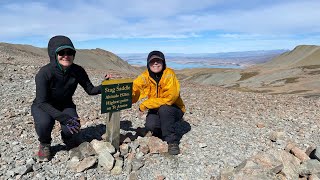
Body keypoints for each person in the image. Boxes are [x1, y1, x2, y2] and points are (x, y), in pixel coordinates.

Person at [31, 35, 110, 161]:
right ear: (54, 55)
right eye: (61, 52)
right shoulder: (44, 73)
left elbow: (90, 90)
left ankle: (68, 138)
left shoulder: (78, 70)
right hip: (44, 105)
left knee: (73, 126)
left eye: (70, 52)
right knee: (44, 123)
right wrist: (63, 118)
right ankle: (45, 144)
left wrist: (105, 85)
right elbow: (42, 102)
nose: (66, 55)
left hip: (65, 104)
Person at [132, 50, 185, 155]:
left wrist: (145, 104)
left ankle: (172, 141)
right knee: (151, 127)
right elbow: (135, 87)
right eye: (152, 61)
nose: (155, 63)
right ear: (148, 64)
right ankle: (165, 127)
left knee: (164, 110)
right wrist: (117, 90)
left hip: (173, 108)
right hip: (156, 108)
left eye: (158, 61)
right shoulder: (145, 76)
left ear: (163, 63)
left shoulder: (169, 74)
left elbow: (170, 98)